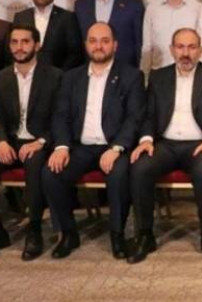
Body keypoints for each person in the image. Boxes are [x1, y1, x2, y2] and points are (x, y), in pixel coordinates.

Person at [128, 28, 202, 264]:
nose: (186, 53)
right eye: (180, 47)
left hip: (200, 144)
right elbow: (148, 115)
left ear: (201, 50)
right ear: (172, 49)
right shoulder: (158, 76)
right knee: (140, 167)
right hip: (165, 144)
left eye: (191, 47)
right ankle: (145, 235)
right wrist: (146, 140)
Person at [42, 22, 145, 260]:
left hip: (113, 146)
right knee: (51, 172)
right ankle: (68, 234)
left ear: (115, 45)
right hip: (80, 147)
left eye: (105, 41)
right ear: (86, 45)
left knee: (119, 174)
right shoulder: (71, 77)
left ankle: (117, 235)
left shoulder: (131, 76)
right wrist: (61, 147)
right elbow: (61, 115)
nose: (99, 46)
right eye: (93, 41)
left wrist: (117, 147)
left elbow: (134, 118)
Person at [0, 25, 62, 260]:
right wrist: (1, 142)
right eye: (14, 42)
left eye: (25, 41)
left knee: (34, 162)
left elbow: (61, 118)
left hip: (40, 144)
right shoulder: (1, 78)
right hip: (12, 143)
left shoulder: (55, 76)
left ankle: (34, 230)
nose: (19, 47)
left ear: (37, 45)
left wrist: (41, 141)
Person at [14, 0, 84, 70]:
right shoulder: (20, 17)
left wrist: (59, 75)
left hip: (59, 76)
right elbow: (13, 50)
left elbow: (75, 54)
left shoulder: (68, 18)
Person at [141, 0, 200, 73]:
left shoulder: (198, 9)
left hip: (190, 74)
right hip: (158, 74)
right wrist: (145, 77)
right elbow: (147, 47)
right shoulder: (152, 9)